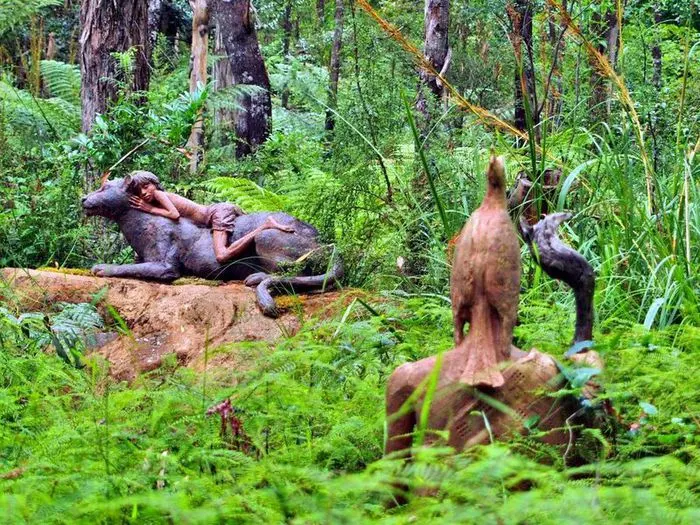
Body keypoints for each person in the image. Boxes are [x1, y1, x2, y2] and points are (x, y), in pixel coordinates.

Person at [124, 170, 293, 264]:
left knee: (222, 256)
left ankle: (265, 226)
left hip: (216, 213)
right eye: (140, 192)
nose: (145, 193)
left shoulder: (160, 195)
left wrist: (148, 208)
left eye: (146, 186)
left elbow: (174, 215)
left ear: (155, 184)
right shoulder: (156, 200)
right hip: (215, 215)